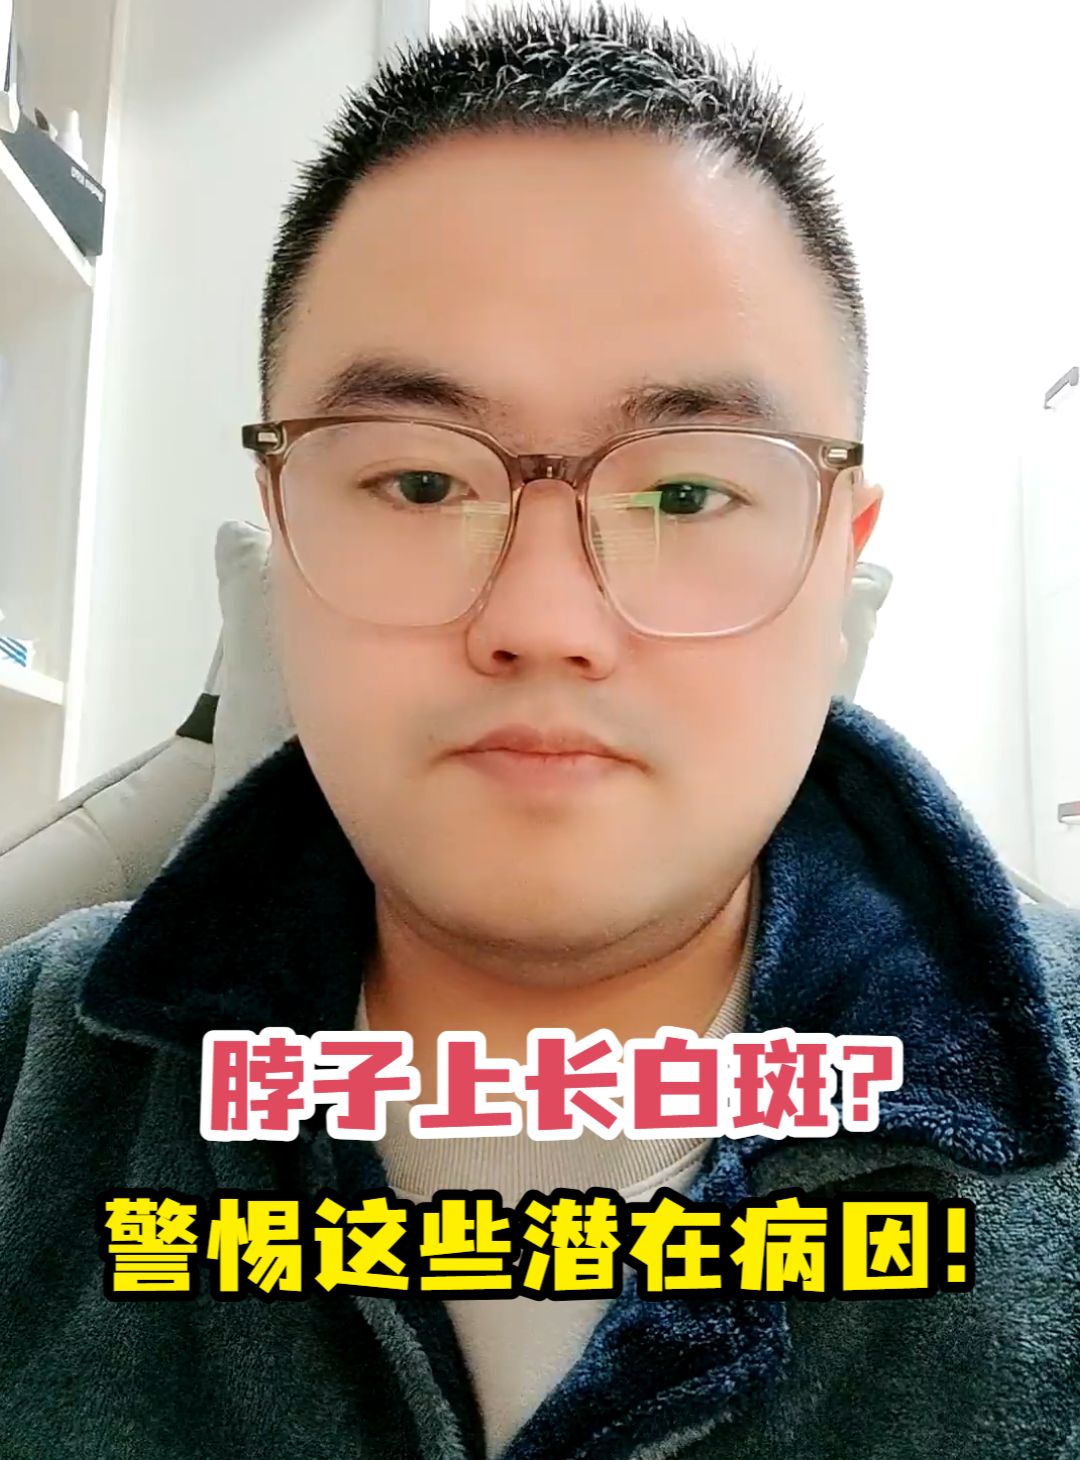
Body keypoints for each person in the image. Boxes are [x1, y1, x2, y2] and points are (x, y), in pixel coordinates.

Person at [1, 5, 1078, 1458]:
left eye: (686, 494)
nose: (544, 617)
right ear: (280, 529)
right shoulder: (25, 1089)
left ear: (840, 558)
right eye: (420, 486)